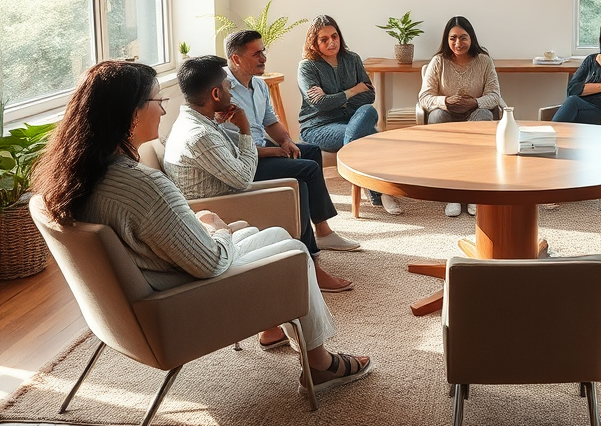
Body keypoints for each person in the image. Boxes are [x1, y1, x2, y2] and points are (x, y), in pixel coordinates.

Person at [34, 61, 372, 391]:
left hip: (145, 293)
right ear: (132, 114)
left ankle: (272, 327)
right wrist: (215, 226)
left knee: (275, 235)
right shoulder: (144, 187)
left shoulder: (75, 179)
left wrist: (201, 226)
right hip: (181, 297)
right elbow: (211, 263)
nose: (163, 111)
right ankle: (320, 363)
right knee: (295, 253)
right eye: (158, 101)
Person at [164, 55, 360, 292]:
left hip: (226, 188)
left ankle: (312, 253)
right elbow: (243, 178)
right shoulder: (200, 135)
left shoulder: (197, 120)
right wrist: (245, 129)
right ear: (215, 94)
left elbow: (235, 158)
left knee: (300, 173)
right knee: (299, 181)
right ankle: (311, 266)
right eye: (227, 86)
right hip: (219, 203)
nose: (231, 91)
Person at [295, 15, 403, 216]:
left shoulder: (352, 59)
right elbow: (319, 104)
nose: (331, 42)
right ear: (313, 42)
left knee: (368, 111)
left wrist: (333, 98)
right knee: (370, 139)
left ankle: (359, 171)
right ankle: (381, 192)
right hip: (318, 126)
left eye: (334, 36)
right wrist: (353, 91)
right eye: (324, 39)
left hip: (353, 120)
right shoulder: (307, 66)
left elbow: (369, 95)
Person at [418, 16, 502, 217]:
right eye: (453, 38)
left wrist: (475, 102)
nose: (458, 43)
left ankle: (474, 191)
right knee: (436, 116)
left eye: (463, 37)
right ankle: (452, 193)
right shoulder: (438, 61)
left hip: (475, 114)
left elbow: (494, 95)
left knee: (483, 115)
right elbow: (424, 97)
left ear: (471, 38)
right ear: (446, 40)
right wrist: (446, 101)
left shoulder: (484, 61)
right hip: (447, 116)